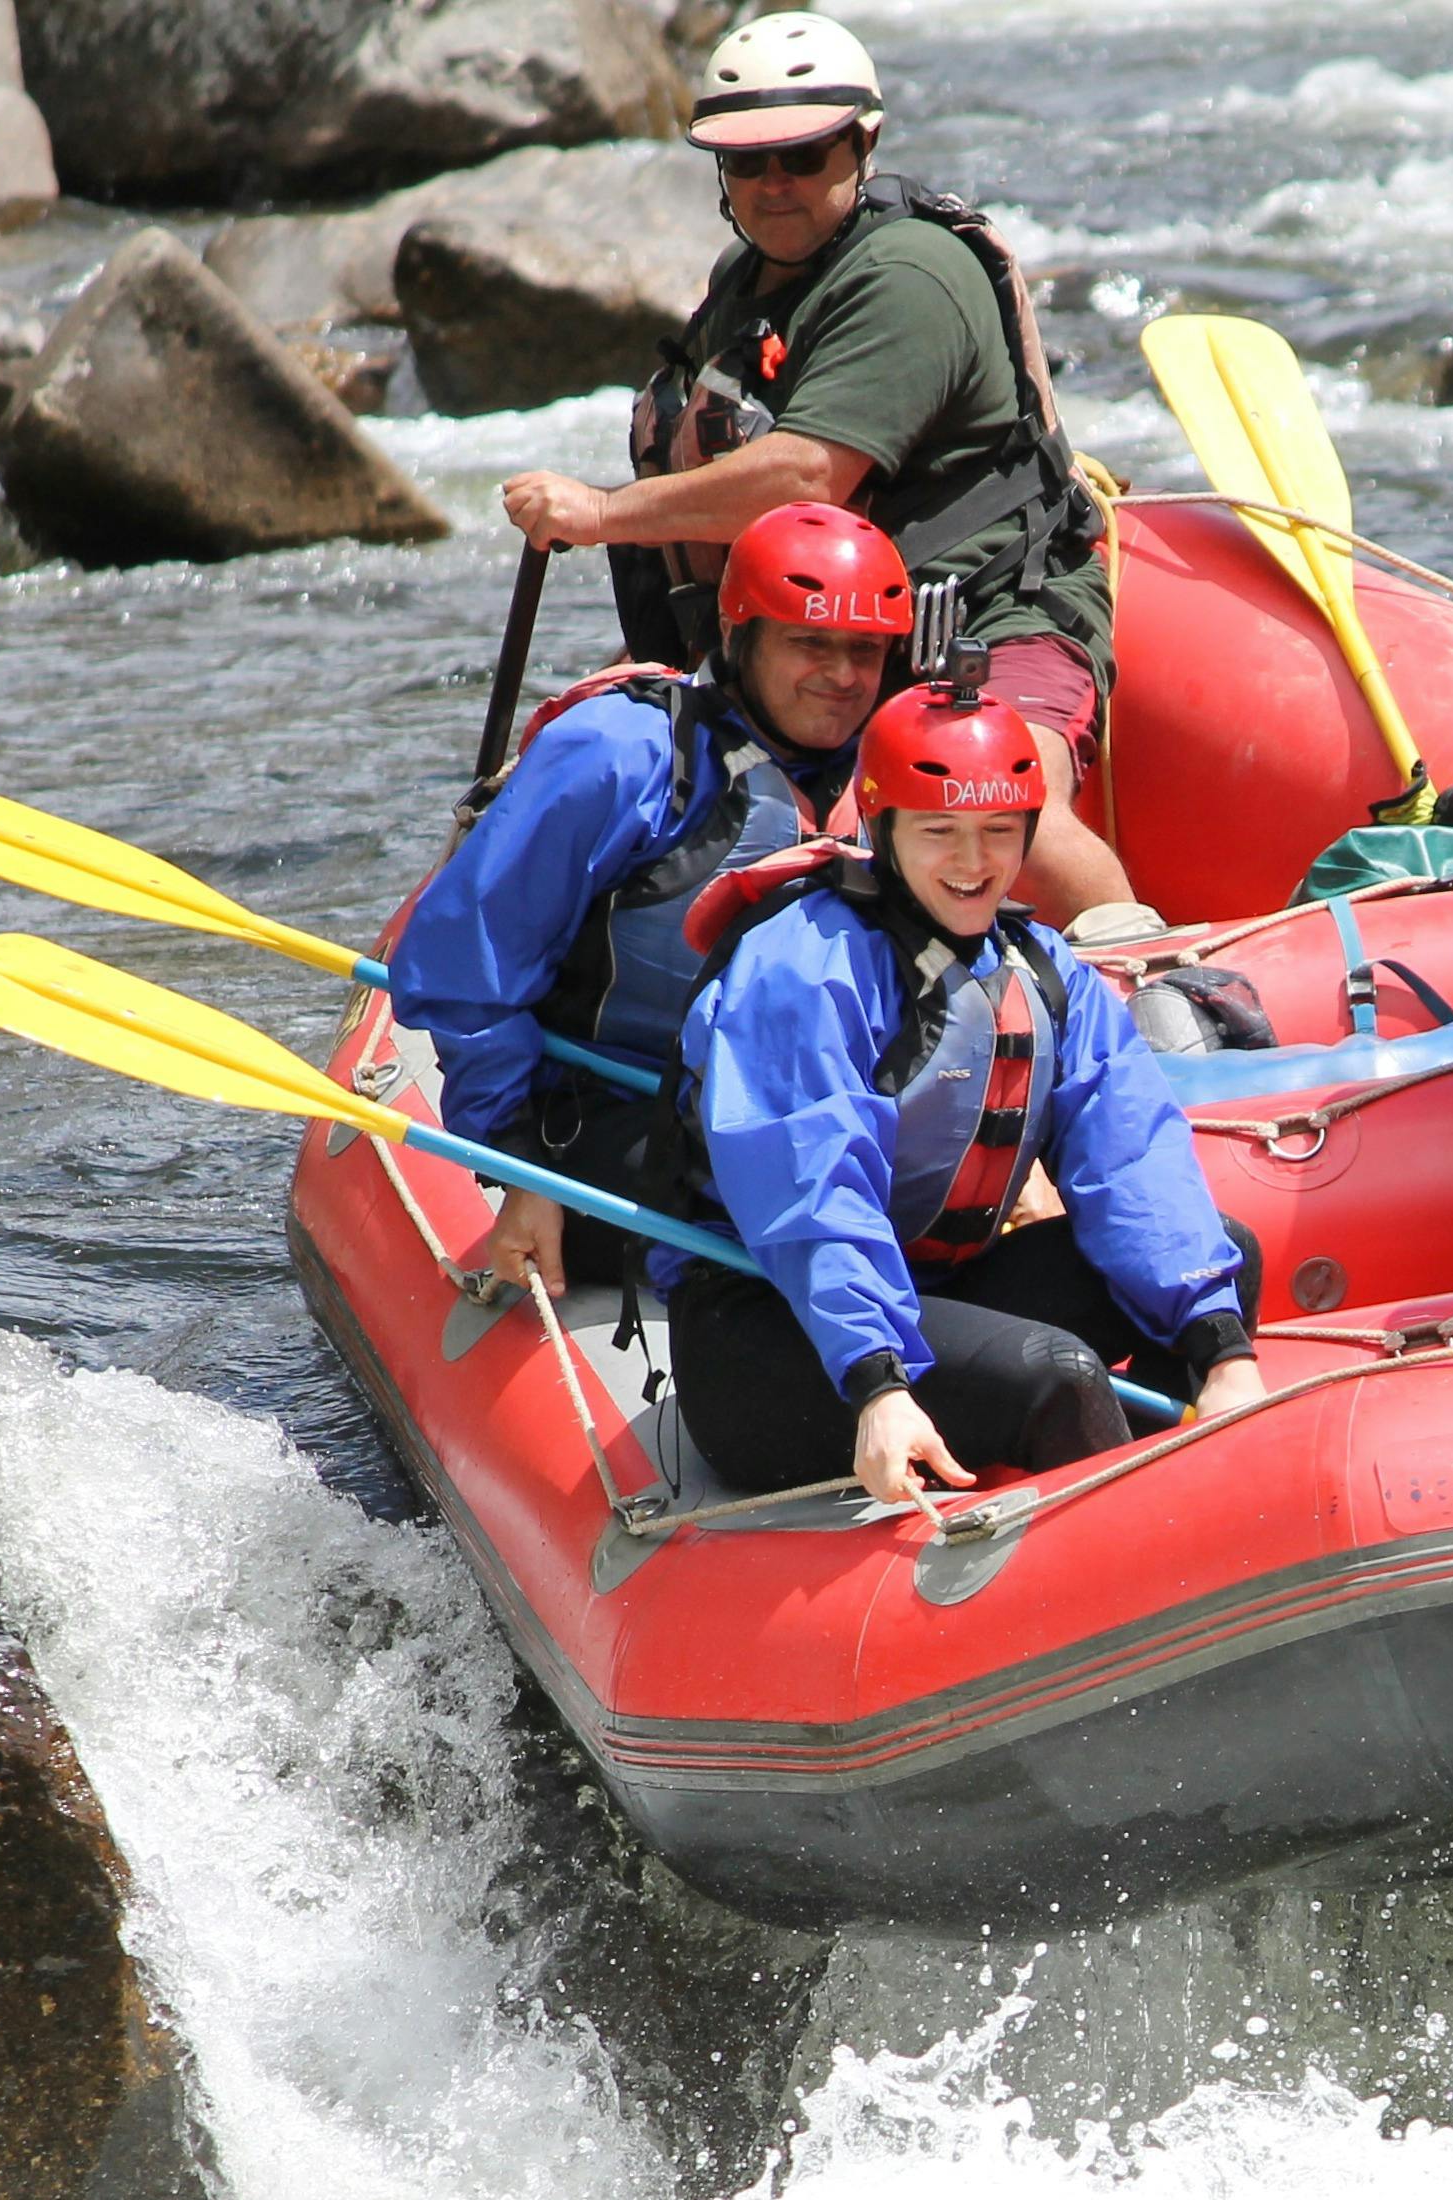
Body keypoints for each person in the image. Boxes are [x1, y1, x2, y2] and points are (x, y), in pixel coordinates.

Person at [493, 11, 1137, 921]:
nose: (774, 183)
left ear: (862, 142)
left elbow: (806, 479)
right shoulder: (745, 280)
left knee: (988, 792)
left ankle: (1148, 972)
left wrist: (600, 514)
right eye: (746, 162)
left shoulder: (911, 274)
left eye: (803, 155)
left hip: (988, 612)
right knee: (573, 756)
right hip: (803, 630)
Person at [658, 663, 1267, 1513]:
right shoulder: (803, 966)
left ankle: (1163, 1484)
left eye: (999, 831)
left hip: (933, 1291)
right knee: (1057, 1376)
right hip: (771, 1327)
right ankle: (1138, 1534)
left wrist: (1224, 1351)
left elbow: (1131, 1158)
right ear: (883, 827)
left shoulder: (1044, 971)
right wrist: (879, 1383)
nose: (974, 863)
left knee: (1223, 1268)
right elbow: (813, 1194)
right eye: (939, 830)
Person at [393, 500, 909, 1303]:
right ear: (737, 635)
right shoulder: (620, 753)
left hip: (806, 1117)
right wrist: (521, 1169)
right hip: (616, 1118)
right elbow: (465, 968)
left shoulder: (901, 775)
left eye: (863, 650)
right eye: (810, 643)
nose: (842, 677)